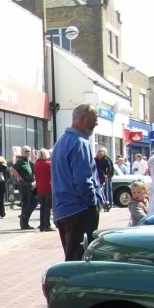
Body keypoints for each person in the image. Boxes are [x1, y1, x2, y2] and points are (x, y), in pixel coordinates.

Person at [51, 104, 103, 261]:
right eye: (94, 119)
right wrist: (92, 204)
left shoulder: (61, 143)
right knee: (80, 261)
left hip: (64, 210)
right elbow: (83, 180)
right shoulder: (80, 143)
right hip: (79, 210)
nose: (96, 123)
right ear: (84, 119)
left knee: (72, 257)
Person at [13, 146, 37, 229]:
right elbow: (12, 169)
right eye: (26, 151)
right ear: (22, 152)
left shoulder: (29, 162)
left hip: (31, 184)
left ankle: (24, 217)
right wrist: (18, 176)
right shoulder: (20, 161)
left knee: (34, 201)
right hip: (24, 185)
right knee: (26, 204)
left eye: (29, 151)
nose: (28, 153)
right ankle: (24, 224)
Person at [33, 148, 54, 232]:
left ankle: (41, 225)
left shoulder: (35, 164)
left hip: (39, 187)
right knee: (48, 206)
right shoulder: (49, 164)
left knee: (42, 206)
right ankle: (47, 225)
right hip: (48, 187)